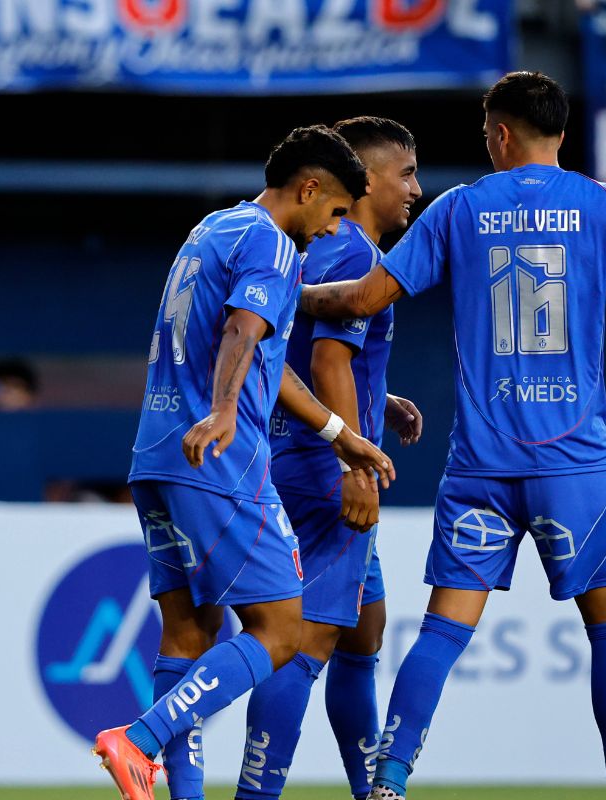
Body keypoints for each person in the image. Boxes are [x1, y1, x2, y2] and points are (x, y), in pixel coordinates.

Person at [297, 72, 606, 800]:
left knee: (440, 634)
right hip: (577, 466)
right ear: (559, 132)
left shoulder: (461, 209)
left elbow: (362, 300)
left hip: (481, 470)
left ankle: (389, 784)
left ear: (499, 134)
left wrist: (272, 289)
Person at [93, 124, 395, 800]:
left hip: (157, 455)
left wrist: (337, 430)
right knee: (282, 628)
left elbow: (266, 351)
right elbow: (243, 331)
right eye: (337, 210)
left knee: (189, 631)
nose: (332, 228)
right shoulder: (273, 243)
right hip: (220, 457)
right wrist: (227, 410)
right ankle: (137, 741)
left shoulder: (212, 230)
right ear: (308, 188)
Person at [228, 116, 425, 800]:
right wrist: (354, 466)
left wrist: (383, 399)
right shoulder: (355, 254)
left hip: (291, 451)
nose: (415, 189)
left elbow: (302, 347)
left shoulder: (315, 244)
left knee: (362, 635)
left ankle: (371, 789)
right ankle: (257, 793)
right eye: (405, 173)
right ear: (366, 180)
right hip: (324, 471)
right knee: (303, 647)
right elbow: (327, 355)